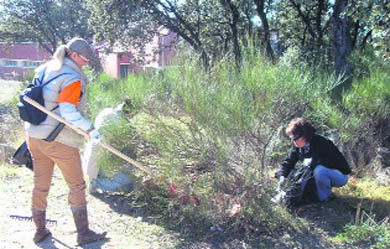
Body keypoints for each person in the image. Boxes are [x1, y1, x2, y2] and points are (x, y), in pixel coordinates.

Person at [25, 37, 107, 244]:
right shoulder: (71, 77)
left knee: (40, 185)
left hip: (34, 136)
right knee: (77, 186)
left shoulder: (46, 68)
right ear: (74, 55)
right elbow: (68, 111)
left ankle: (40, 231)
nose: (87, 63)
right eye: (85, 59)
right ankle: (83, 233)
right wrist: (90, 129)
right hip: (58, 139)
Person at [275, 117, 351, 202]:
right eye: (291, 138)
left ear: (303, 135)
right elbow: (288, 162)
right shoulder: (298, 147)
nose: (293, 141)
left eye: (294, 138)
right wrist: (282, 177)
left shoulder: (321, 143)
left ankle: (325, 197)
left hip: (340, 176)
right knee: (293, 171)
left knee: (319, 170)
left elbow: (314, 165)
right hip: (321, 175)